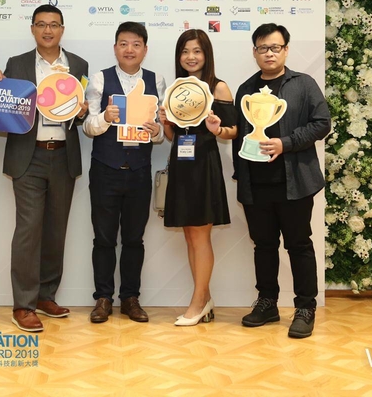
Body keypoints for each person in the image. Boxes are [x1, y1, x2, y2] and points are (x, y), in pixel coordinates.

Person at [0, 4, 89, 332]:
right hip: (28, 156)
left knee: (56, 230)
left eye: (54, 25)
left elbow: (81, 115)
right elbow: (5, 110)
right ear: (32, 29)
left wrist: (82, 112)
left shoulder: (78, 65)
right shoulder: (16, 64)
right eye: (42, 25)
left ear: (63, 29)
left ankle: (46, 296)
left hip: (63, 156)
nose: (48, 30)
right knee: (28, 230)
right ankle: (23, 304)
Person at [232, 23, 330, 339]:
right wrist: (240, 175)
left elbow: (322, 123)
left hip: (295, 181)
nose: (269, 53)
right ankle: (267, 303)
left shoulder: (303, 84)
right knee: (263, 246)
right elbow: (240, 137)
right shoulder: (245, 89)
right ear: (254, 52)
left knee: (299, 245)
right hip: (255, 183)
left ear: (286, 50)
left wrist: (285, 143)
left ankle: (305, 307)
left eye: (275, 47)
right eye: (263, 48)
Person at [82, 21, 166, 324]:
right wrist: (105, 117)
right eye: (123, 43)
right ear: (115, 47)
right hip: (106, 170)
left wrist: (156, 132)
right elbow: (88, 127)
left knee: (134, 239)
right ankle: (103, 298)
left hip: (140, 171)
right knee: (103, 239)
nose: (129, 49)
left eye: (136, 44)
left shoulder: (158, 81)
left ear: (145, 49)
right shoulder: (99, 79)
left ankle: (131, 298)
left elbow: (161, 134)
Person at [158, 29, 237, 326]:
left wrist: (217, 129)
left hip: (204, 164)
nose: (190, 57)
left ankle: (198, 302)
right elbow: (172, 136)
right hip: (181, 164)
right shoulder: (176, 90)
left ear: (207, 54)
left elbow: (233, 131)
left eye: (197, 51)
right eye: (185, 51)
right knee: (190, 235)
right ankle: (205, 299)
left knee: (201, 235)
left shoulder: (218, 87)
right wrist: (166, 122)